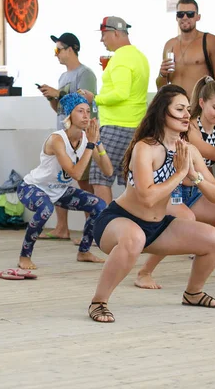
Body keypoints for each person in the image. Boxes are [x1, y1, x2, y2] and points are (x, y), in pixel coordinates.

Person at [89, 85, 215, 323]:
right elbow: (148, 197)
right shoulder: (145, 147)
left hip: (158, 227)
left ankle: (193, 293)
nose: (186, 115)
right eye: (180, 109)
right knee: (134, 238)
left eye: (188, 110)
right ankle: (98, 302)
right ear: (164, 113)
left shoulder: (188, 150)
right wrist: (179, 173)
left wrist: (194, 176)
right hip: (119, 222)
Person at [135, 78, 215, 289]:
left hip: (195, 192)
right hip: (172, 192)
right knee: (185, 219)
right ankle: (144, 272)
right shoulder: (189, 127)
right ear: (202, 103)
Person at [16, 93, 112, 270]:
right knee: (45, 208)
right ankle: (24, 256)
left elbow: (108, 171)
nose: (86, 115)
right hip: (32, 187)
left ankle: (84, 251)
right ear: (69, 115)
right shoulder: (57, 139)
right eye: (80, 111)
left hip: (59, 191)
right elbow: (76, 174)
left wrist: (98, 143)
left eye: (88, 111)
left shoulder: (86, 139)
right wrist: (90, 145)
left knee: (99, 205)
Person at [79, 16, 150, 204]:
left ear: (116, 33)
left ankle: (107, 227)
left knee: (99, 177)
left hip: (117, 127)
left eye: (104, 35)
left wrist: (94, 99)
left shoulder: (121, 58)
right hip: (135, 125)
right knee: (130, 180)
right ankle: (130, 227)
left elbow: (121, 93)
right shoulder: (139, 56)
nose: (101, 40)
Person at [37, 32, 98, 243]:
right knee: (56, 179)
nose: (56, 55)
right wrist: (51, 98)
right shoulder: (63, 77)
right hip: (63, 135)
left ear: (71, 49)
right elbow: (61, 110)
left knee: (84, 181)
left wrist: (59, 94)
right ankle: (61, 227)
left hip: (80, 136)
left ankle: (92, 229)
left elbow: (84, 104)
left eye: (58, 50)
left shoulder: (85, 73)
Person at [156, 0, 215, 95]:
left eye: (190, 14)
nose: (185, 17)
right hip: (176, 106)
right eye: (180, 14)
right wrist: (162, 74)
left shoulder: (210, 41)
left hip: (199, 107)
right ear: (176, 18)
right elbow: (161, 87)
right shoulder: (170, 44)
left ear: (198, 17)